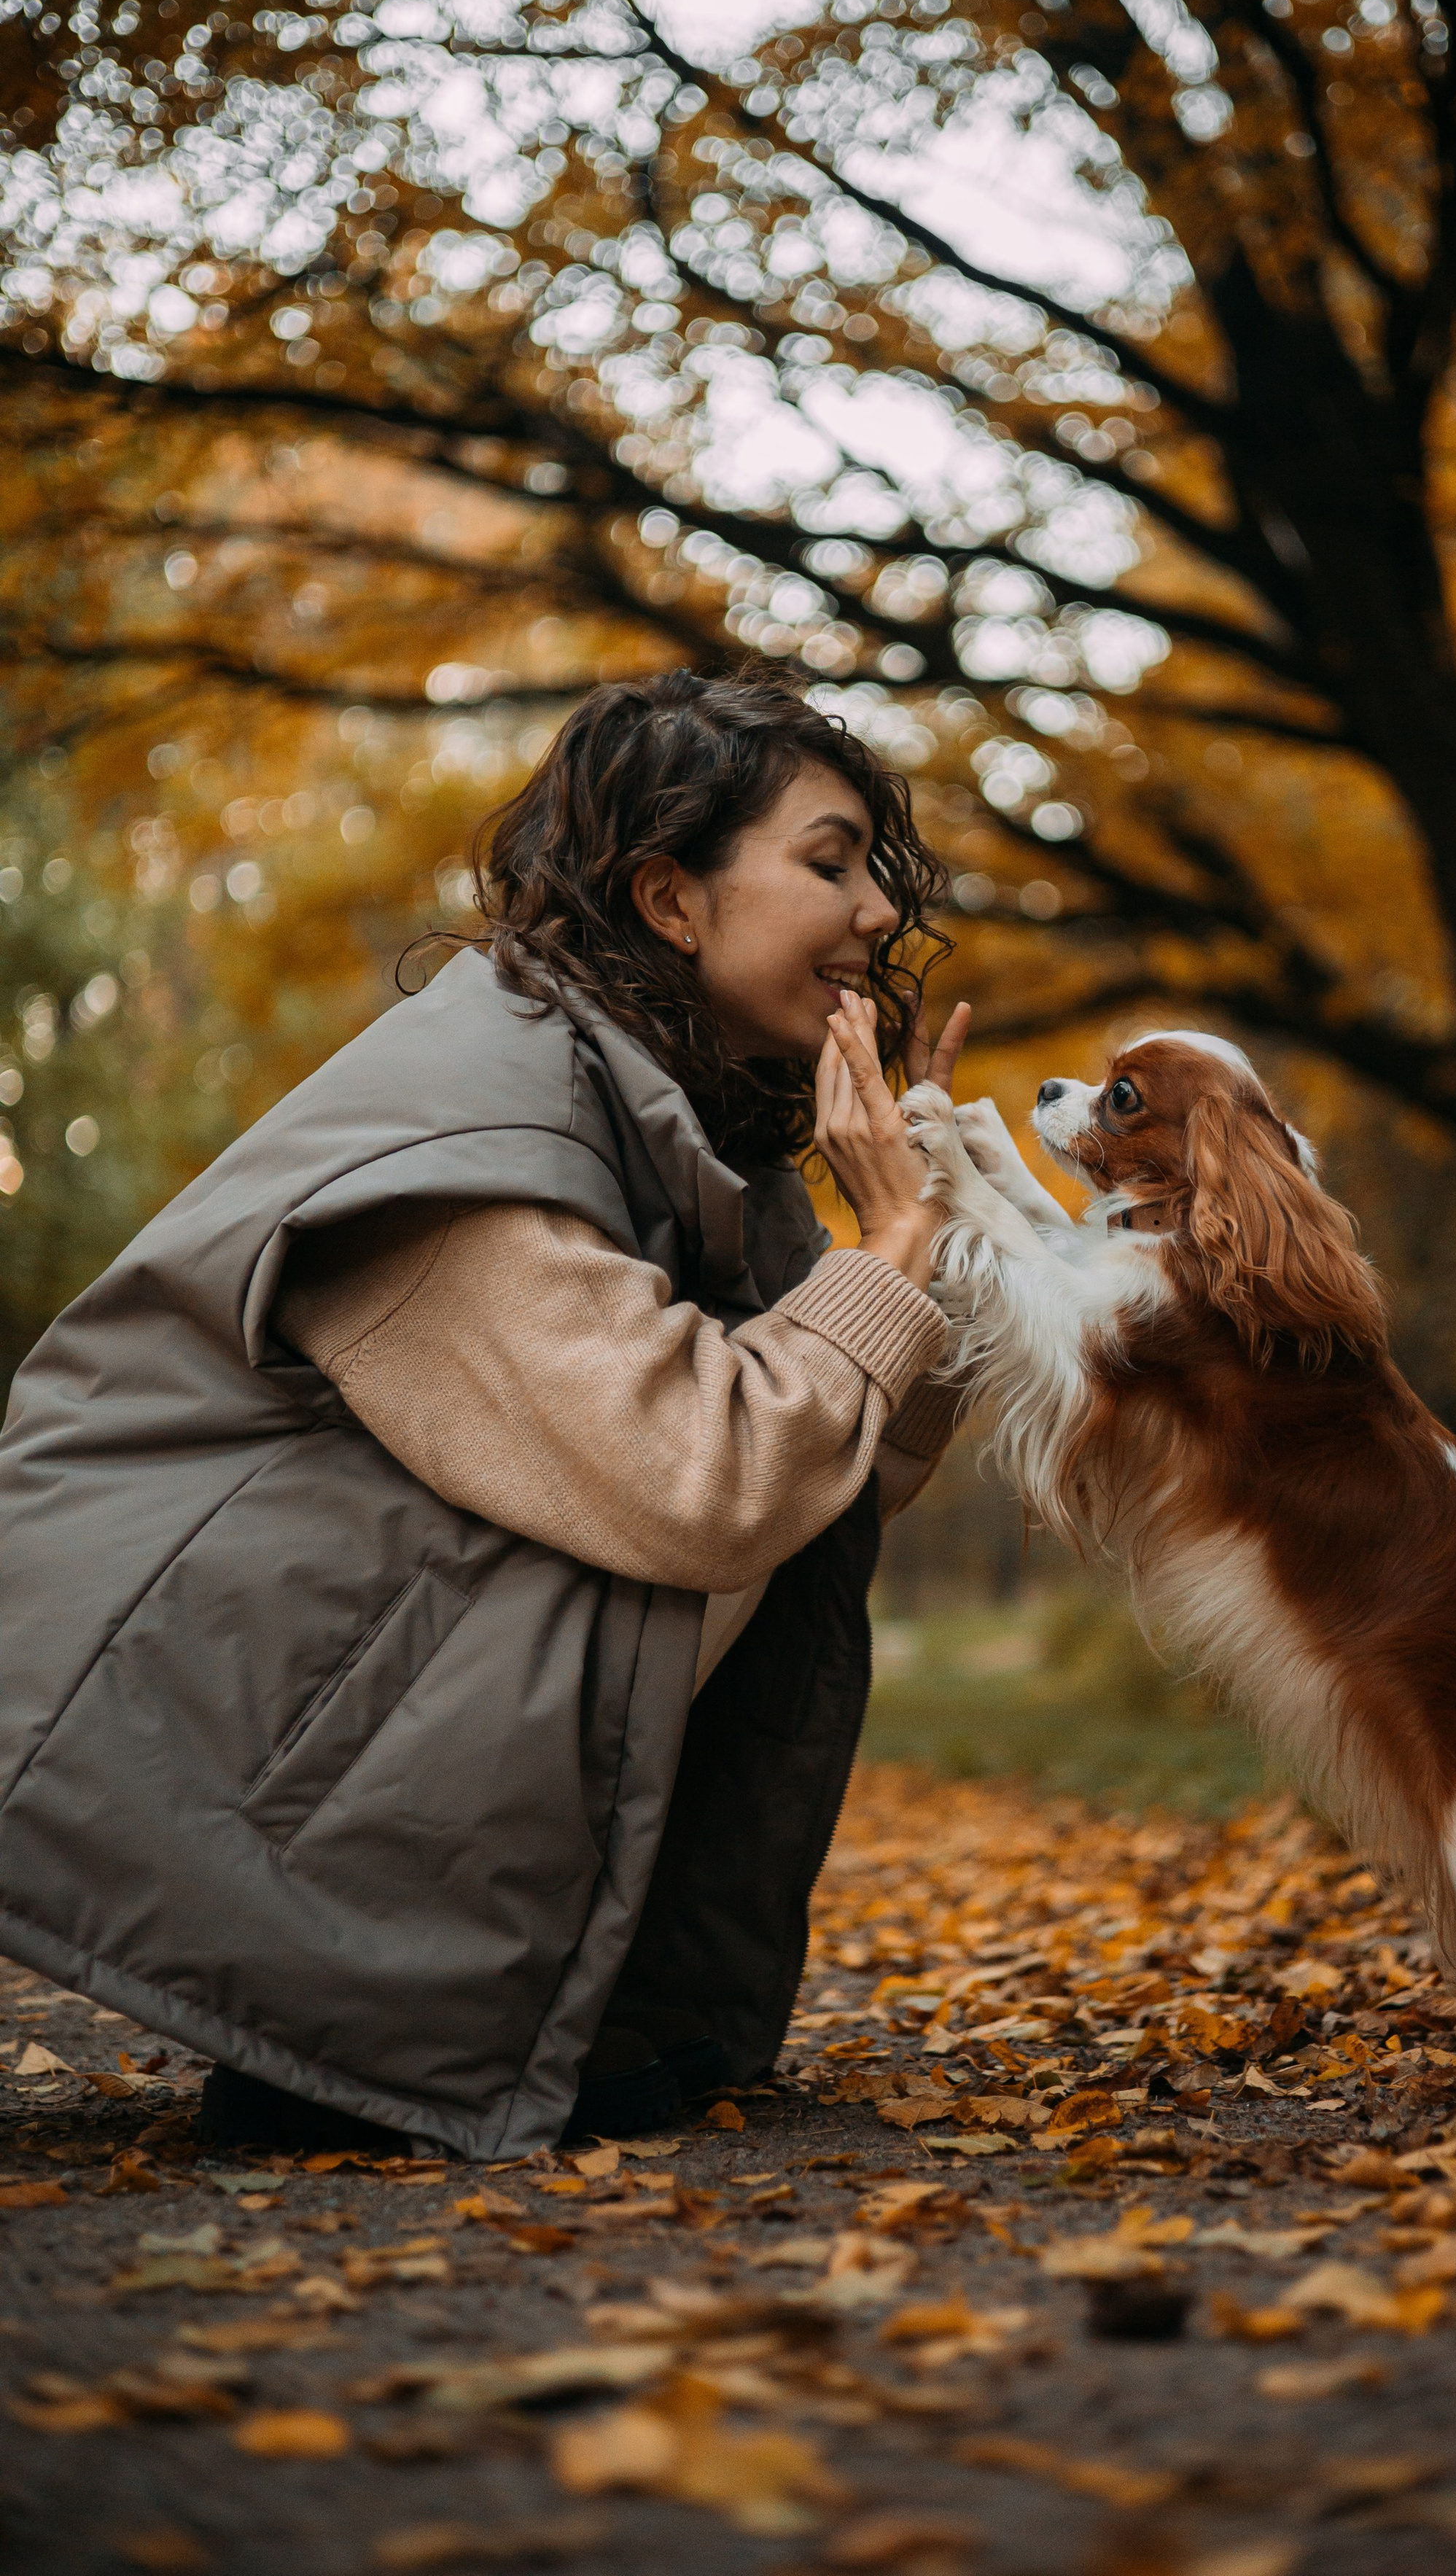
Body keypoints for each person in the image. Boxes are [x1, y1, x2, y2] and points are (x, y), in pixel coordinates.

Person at [0, 669, 970, 2158]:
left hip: (279, 1705)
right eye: (827, 865)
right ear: (671, 898)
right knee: (655, 1511)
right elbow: (702, 1480)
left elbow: (836, 1474)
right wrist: (885, 1256)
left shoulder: (688, 1142)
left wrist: (936, 1232)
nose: (877, 918)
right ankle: (339, 2014)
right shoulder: (481, 1128)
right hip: (124, 1707)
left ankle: (481, 2012)